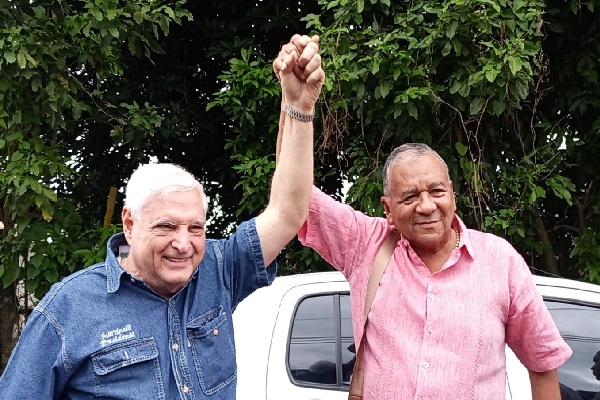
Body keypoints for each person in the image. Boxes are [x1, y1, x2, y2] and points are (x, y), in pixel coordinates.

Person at [0, 34, 324, 399]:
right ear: (129, 223)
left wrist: (298, 107)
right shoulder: (68, 310)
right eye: (166, 226)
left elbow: (287, 212)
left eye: (196, 227)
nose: (183, 244)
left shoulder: (219, 270)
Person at [296, 143, 573, 399]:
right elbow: (294, 194)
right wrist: (297, 107)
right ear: (388, 208)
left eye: (437, 192)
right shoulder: (365, 246)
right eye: (410, 197)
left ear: (452, 194)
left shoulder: (500, 261)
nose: (427, 206)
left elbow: (543, 361)